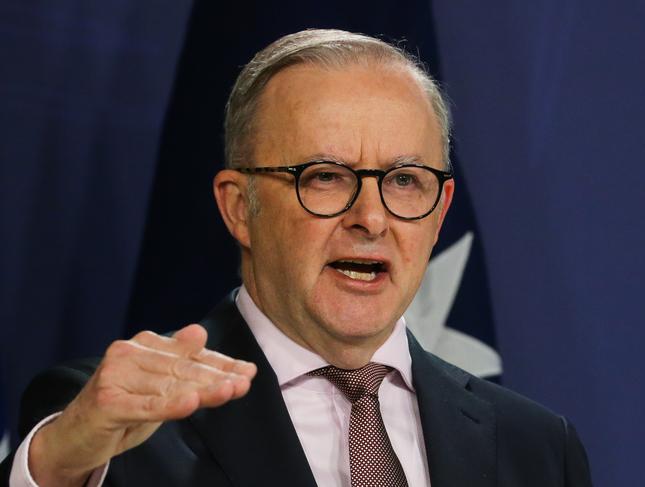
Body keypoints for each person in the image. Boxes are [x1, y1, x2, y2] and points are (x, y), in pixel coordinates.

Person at [1, 29, 592, 487]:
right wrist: (58, 464)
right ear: (239, 207)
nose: (372, 216)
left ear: (440, 212)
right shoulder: (121, 430)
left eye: (406, 180)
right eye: (327, 176)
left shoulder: (535, 447)